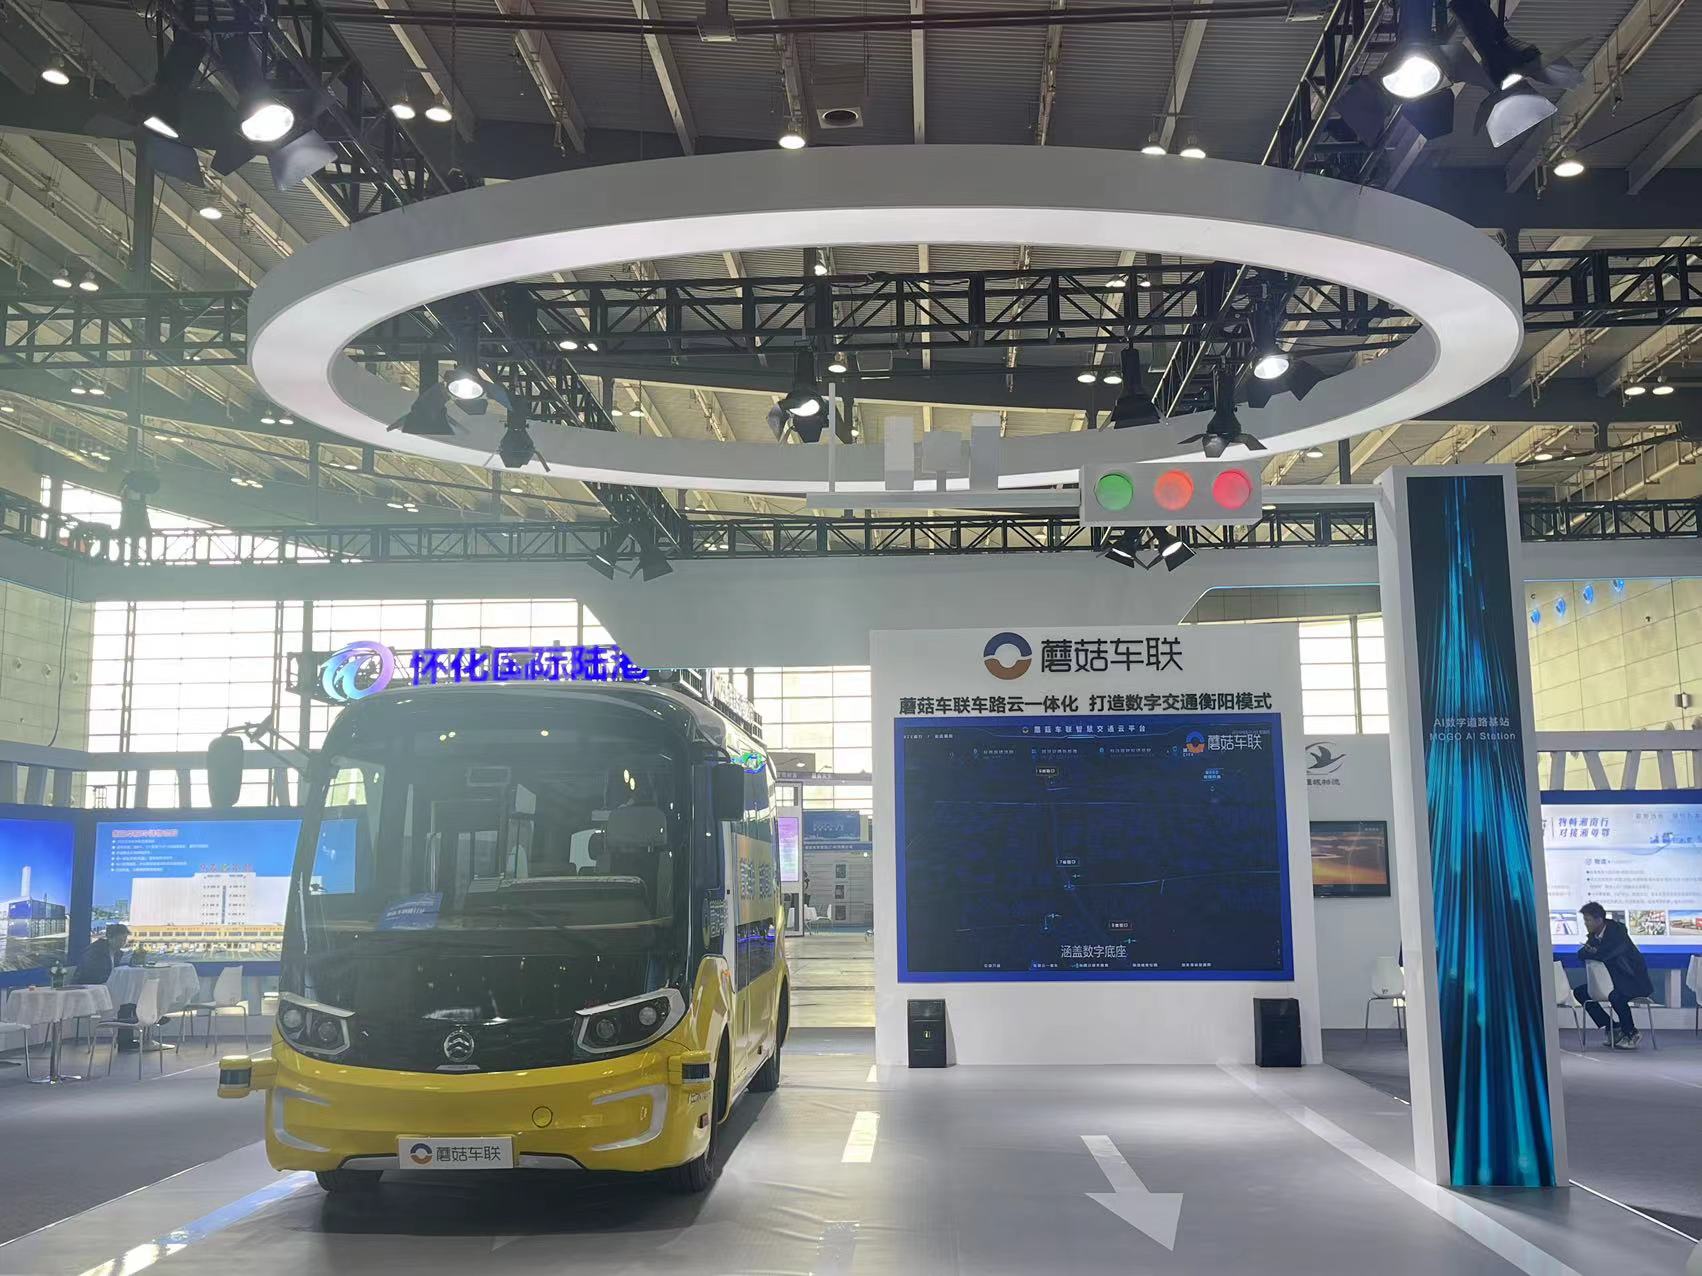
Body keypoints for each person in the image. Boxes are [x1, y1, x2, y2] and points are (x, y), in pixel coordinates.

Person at [1573, 902, 1652, 1049]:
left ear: (1599, 920)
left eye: (1588, 920)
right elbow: (1582, 954)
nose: (1586, 924)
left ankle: (1631, 1033)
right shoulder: (1594, 936)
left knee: (1616, 996)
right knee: (1580, 992)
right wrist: (1593, 951)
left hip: (1633, 981)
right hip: (1612, 981)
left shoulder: (1618, 932)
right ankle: (1613, 1027)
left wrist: (1595, 952)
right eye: (1585, 920)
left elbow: (1608, 954)